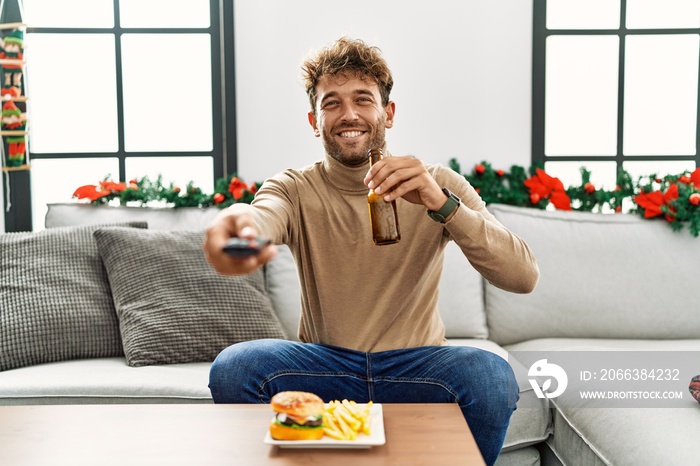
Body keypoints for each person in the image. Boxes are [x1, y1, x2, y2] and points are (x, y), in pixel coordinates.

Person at [204, 37, 539, 466]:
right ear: (313, 120)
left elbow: (524, 276)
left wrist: (442, 204)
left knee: (491, 376)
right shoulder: (294, 187)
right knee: (235, 367)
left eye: (363, 99)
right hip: (325, 367)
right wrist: (238, 227)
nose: (349, 115)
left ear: (388, 113)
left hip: (418, 367)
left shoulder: (436, 183)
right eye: (332, 103)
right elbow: (262, 215)